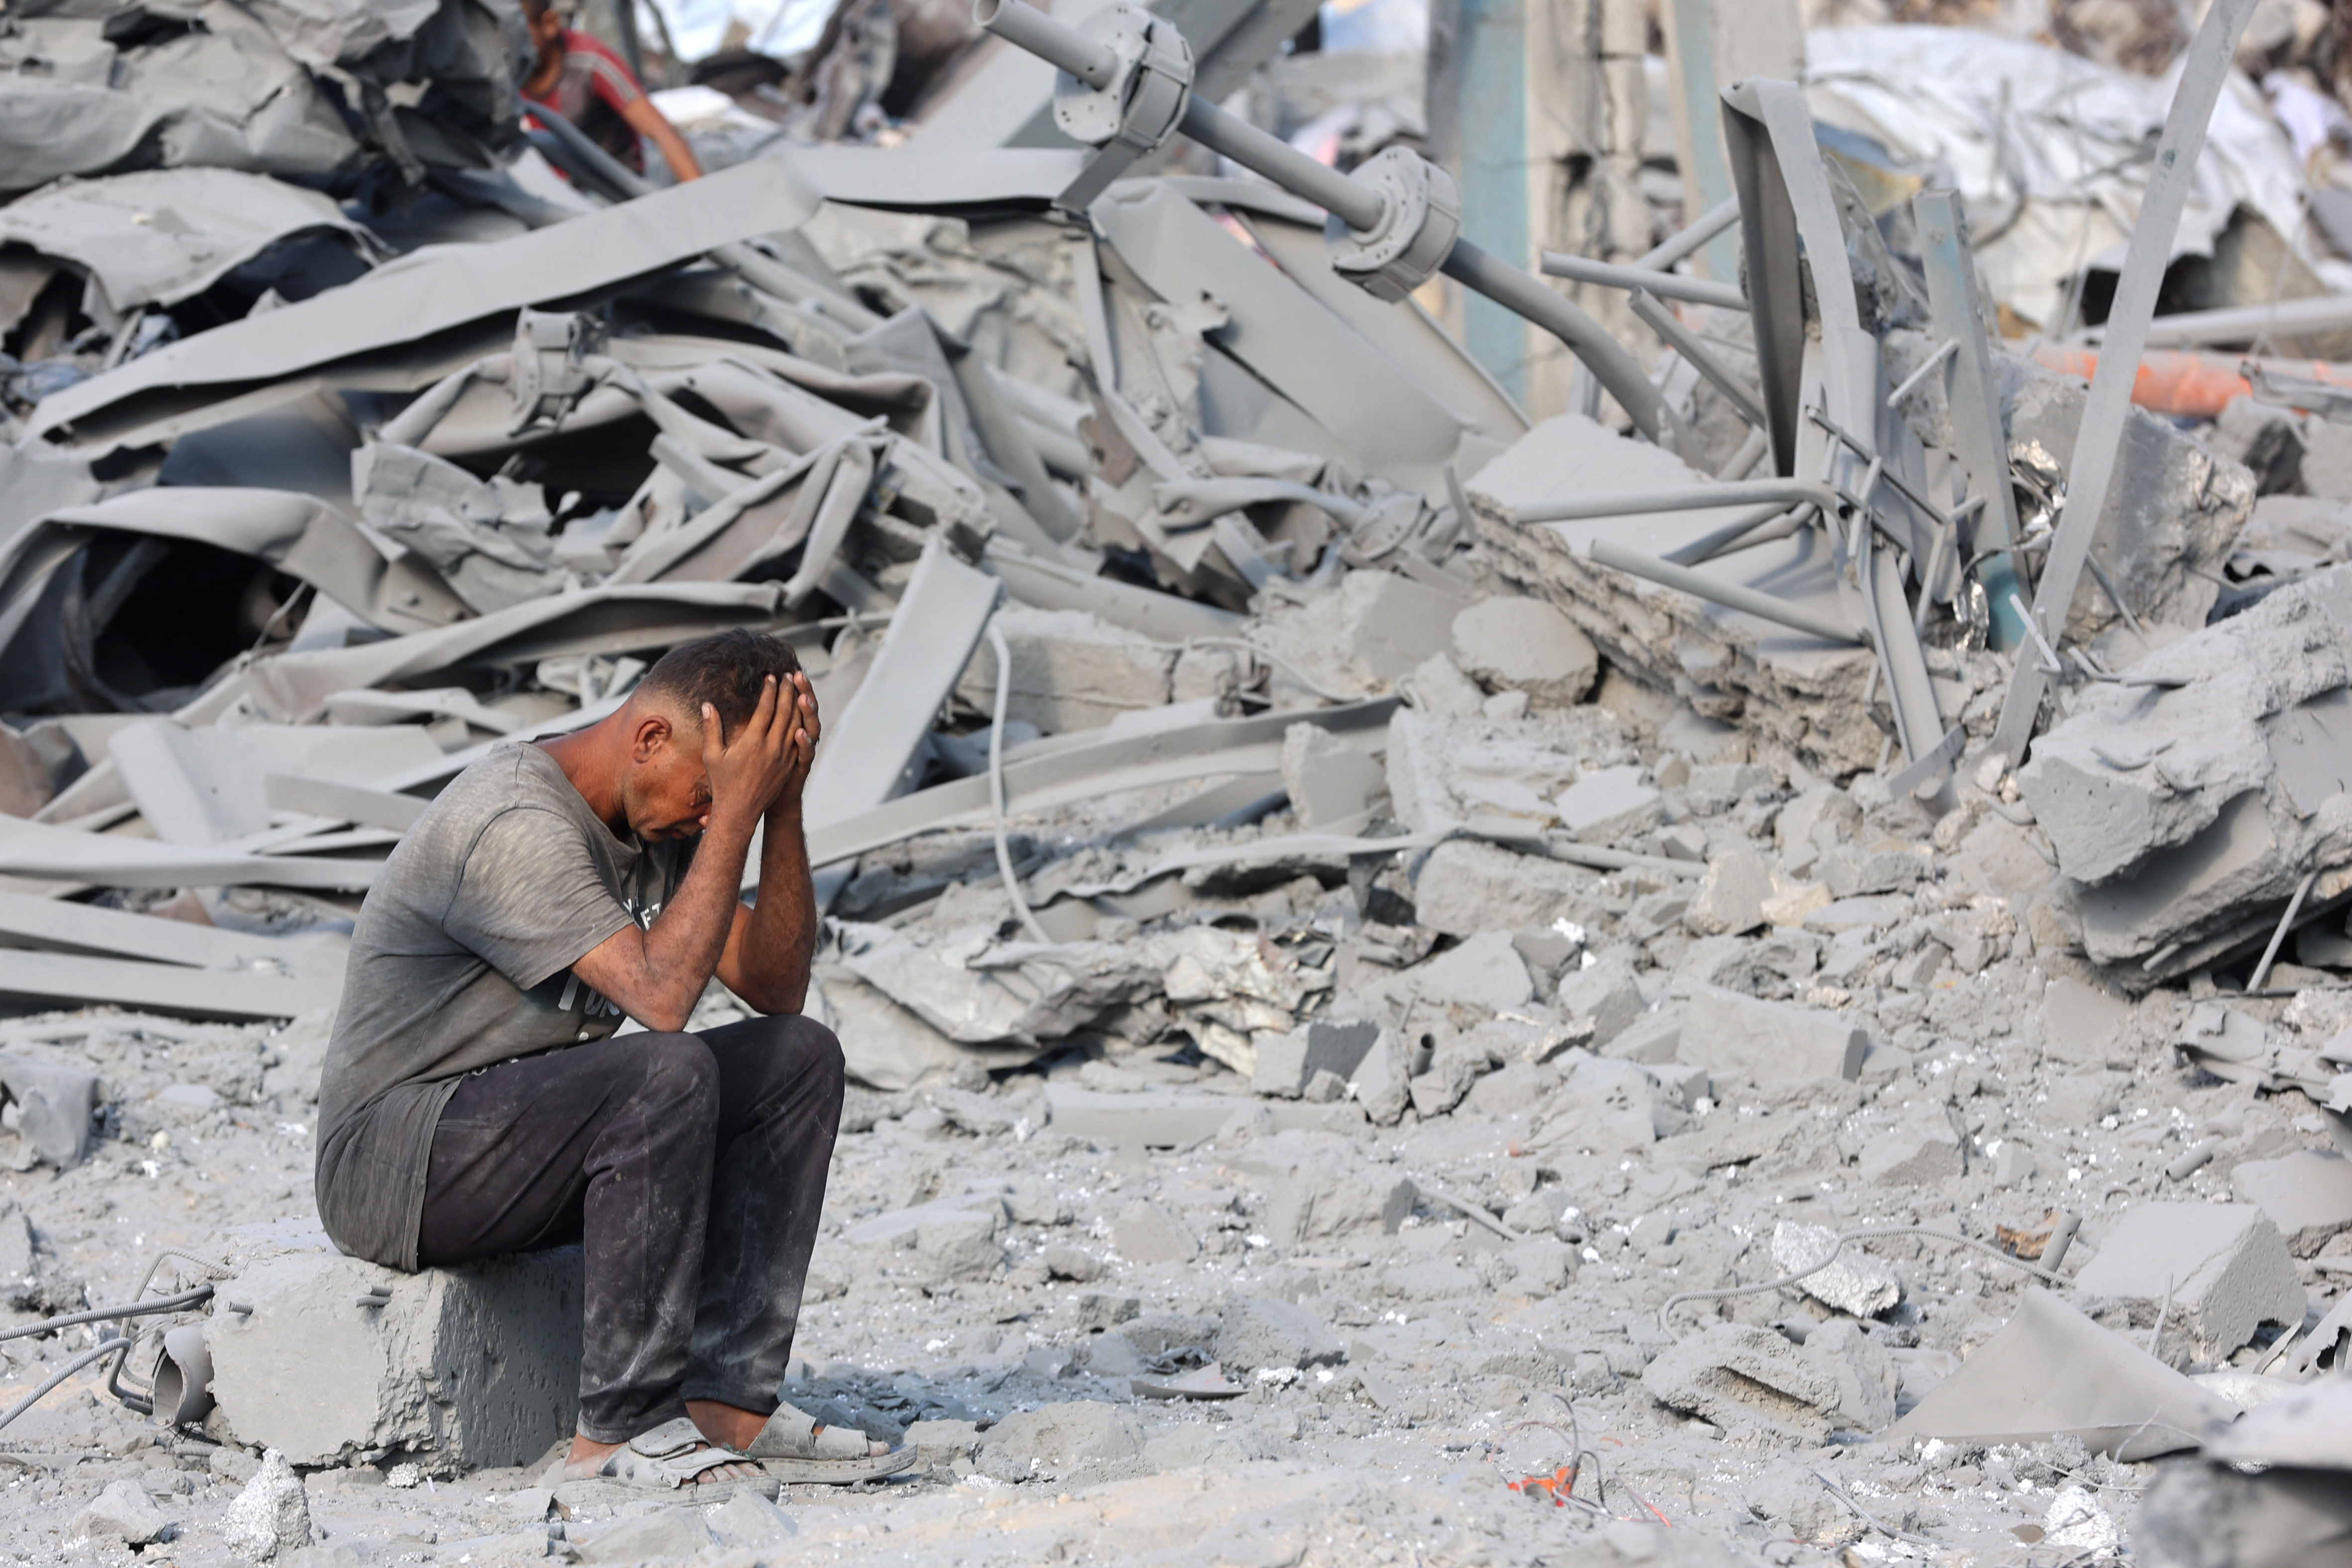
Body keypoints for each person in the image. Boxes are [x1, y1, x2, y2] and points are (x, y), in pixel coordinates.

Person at [314, 629, 910, 1500]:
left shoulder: (655, 817)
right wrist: (735, 814)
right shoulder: (513, 822)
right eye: (710, 793)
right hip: (393, 1161)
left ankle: (725, 1402)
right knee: (665, 1069)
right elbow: (661, 997)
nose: (713, 817)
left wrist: (779, 807)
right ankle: (620, 1429)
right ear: (650, 740)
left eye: (727, 802)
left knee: (798, 1056)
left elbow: (777, 986)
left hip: (512, 1143)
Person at [519, 0, 704, 184]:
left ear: (549, 24)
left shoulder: (590, 62)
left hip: (614, 188)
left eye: (516, 32)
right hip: (557, 192)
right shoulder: (506, 79)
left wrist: (702, 196)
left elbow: (662, 132)